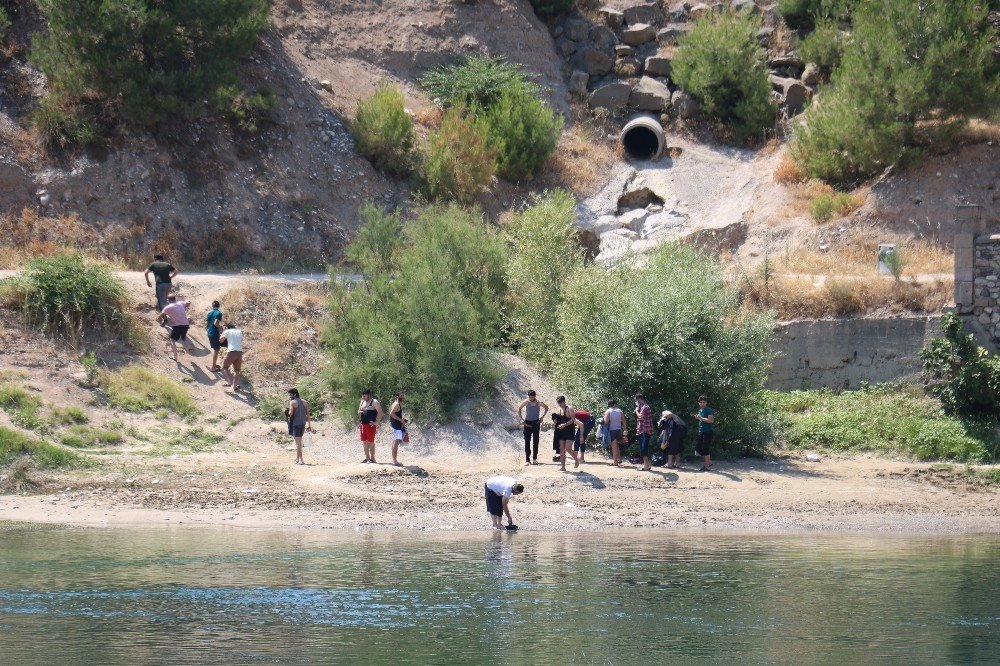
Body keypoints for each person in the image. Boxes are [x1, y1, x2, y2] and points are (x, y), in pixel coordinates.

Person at [517, 390, 548, 466]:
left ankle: (535, 459)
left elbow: (546, 408)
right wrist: (521, 419)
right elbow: (519, 408)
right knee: (527, 441)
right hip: (527, 423)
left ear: (535, 396)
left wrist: (542, 417)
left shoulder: (538, 402)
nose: (531, 398)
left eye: (532, 396)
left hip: (536, 422)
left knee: (535, 441)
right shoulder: (526, 402)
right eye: (530, 397)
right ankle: (527, 459)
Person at [159, 295, 193, 361]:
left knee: (172, 340)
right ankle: (188, 347)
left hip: (178, 325)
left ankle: (175, 357)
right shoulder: (180, 303)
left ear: (168, 300)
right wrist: (186, 307)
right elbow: (188, 302)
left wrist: (158, 318)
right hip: (186, 324)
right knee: (183, 337)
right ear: (175, 299)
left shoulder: (167, 307)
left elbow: (161, 315)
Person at [286, 388, 312, 465]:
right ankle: (298, 458)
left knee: (298, 443)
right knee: (299, 442)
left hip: (296, 424)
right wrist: (310, 425)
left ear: (294, 394)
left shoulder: (292, 402)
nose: (290, 396)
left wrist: (287, 411)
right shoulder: (304, 402)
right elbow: (308, 414)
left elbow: (290, 413)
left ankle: (300, 460)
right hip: (303, 424)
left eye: (290, 394)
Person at [552, 396, 579, 472]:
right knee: (561, 449)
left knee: (568, 448)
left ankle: (576, 459)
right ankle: (563, 467)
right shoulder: (559, 409)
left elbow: (573, 420)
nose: (559, 404)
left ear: (564, 402)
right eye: (558, 403)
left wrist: (564, 425)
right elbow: (558, 419)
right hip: (561, 431)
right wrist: (554, 420)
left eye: (560, 403)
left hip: (569, 431)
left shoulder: (569, 408)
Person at [358, 389, 382, 464]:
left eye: (365, 396)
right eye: (363, 396)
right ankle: (367, 458)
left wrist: (376, 422)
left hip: (370, 425)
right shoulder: (362, 401)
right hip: (363, 424)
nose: (363, 397)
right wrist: (361, 412)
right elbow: (358, 411)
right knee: (364, 442)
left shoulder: (374, 402)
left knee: (370, 442)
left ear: (369, 395)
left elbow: (380, 412)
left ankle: (372, 458)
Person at [691, 395, 715, 471]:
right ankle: (709, 462)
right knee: (698, 448)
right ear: (698, 403)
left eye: (703, 402)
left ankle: (707, 466)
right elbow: (702, 420)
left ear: (706, 403)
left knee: (705, 448)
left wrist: (701, 418)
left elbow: (711, 420)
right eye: (700, 402)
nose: (702, 404)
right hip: (701, 431)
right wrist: (698, 417)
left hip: (707, 432)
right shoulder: (700, 410)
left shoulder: (709, 410)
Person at [603, 399, 628, 466]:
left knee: (614, 446)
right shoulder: (620, 411)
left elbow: (605, 421)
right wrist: (625, 430)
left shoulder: (608, 411)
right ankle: (619, 459)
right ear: (615, 404)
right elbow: (624, 421)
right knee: (617, 445)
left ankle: (615, 462)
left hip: (612, 430)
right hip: (619, 430)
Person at [220, 323, 244, 392]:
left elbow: (220, 340)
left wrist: (224, 331)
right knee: (237, 371)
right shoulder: (240, 332)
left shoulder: (227, 331)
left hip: (231, 352)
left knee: (224, 368)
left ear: (227, 327)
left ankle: (229, 382)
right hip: (239, 352)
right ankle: (234, 386)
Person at [388, 391, 408, 467]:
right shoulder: (396, 404)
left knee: (395, 442)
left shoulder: (398, 404)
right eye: (401, 395)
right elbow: (391, 414)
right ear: (397, 396)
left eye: (403, 395)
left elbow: (395, 414)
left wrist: (402, 420)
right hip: (396, 426)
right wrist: (400, 420)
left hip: (396, 425)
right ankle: (394, 461)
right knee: (396, 442)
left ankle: (394, 460)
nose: (403, 397)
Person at [635, 394, 653, 471]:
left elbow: (640, 417)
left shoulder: (645, 407)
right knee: (642, 448)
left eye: (636, 400)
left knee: (643, 448)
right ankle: (647, 465)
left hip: (645, 430)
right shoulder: (642, 407)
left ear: (639, 399)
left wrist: (636, 410)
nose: (636, 402)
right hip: (642, 430)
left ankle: (646, 466)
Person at [205, 300, 224, 372]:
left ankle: (214, 364)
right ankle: (213, 367)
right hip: (214, 333)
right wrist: (220, 327)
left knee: (216, 349)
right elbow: (216, 323)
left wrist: (207, 331)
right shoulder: (219, 313)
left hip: (209, 332)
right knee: (217, 349)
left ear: (212, 306)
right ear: (219, 306)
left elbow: (206, 325)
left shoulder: (209, 313)